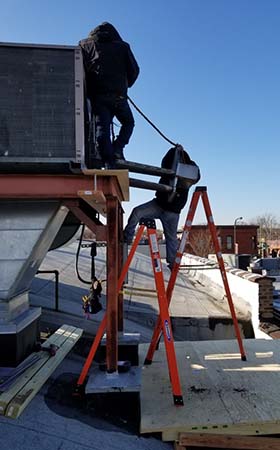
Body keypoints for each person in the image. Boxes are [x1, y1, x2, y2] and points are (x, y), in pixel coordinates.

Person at [123, 146, 200, 269]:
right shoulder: (170, 167)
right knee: (137, 212)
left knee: (171, 238)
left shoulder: (188, 172)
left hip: (172, 211)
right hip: (159, 204)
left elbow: (196, 175)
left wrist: (182, 155)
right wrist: (174, 151)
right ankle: (127, 238)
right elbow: (165, 164)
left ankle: (173, 263)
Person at [79, 22, 139, 168]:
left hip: (97, 96)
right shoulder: (123, 46)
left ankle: (108, 161)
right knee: (128, 123)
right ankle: (118, 149)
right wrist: (125, 85)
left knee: (102, 129)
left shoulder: (84, 45)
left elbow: (78, 68)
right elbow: (135, 70)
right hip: (119, 96)